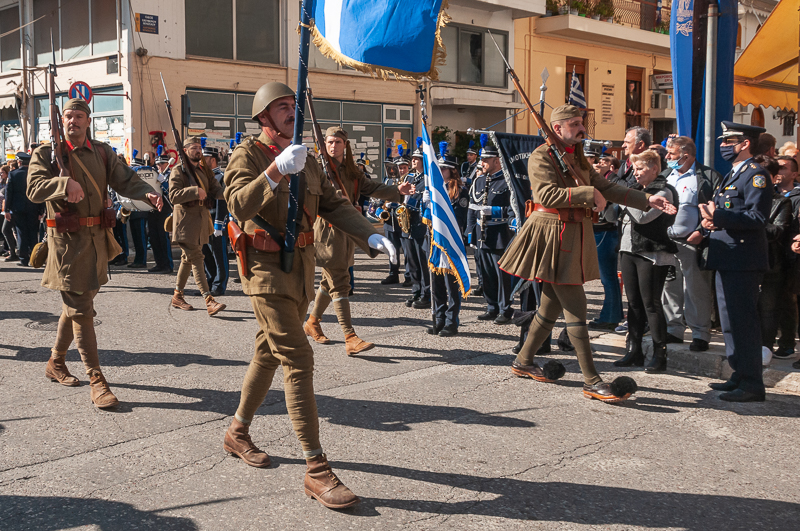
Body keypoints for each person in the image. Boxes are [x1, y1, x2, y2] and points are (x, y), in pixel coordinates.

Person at [222, 82, 398, 509]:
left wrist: (371, 235)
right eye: (280, 107)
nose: (289, 112)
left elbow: (334, 206)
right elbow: (237, 205)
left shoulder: (309, 159)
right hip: (263, 271)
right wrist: (276, 171)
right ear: (263, 116)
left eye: (292, 106)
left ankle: (237, 432)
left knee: (268, 352)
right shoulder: (248, 155)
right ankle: (317, 469)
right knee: (298, 357)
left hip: (300, 268)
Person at [498, 104, 675, 402]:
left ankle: (523, 361)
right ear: (558, 128)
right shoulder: (542, 155)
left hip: (572, 235)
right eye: (576, 124)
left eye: (582, 123)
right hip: (552, 235)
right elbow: (546, 195)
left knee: (549, 307)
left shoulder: (575, 155)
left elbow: (606, 186)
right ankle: (592, 381)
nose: (582, 129)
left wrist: (647, 199)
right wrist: (586, 194)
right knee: (576, 310)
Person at [27, 98, 163, 407]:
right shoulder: (47, 153)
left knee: (79, 305)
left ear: (89, 121)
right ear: (60, 122)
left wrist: (148, 193)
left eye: (78, 116)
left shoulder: (102, 152)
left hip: (97, 241)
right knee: (81, 310)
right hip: (66, 245)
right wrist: (63, 183)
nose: (72, 120)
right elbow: (34, 189)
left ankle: (56, 362)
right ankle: (97, 379)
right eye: (67, 116)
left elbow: (126, 179)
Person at [304, 126, 411, 354]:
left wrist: (397, 191)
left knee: (329, 281)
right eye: (330, 142)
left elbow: (371, 187)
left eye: (338, 142)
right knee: (341, 280)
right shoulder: (318, 169)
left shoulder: (352, 170)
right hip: (328, 230)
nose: (333, 146)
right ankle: (350, 336)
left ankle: (312, 322)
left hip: (349, 229)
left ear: (346, 145)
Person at [702, 121, 772, 402]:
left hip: (743, 259)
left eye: (729, 141)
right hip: (727, 255)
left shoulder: (756, 175)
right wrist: (711, 221)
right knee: (729, 321)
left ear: (745, 144)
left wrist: (717, 216)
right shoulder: (733, 173)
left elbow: (757, 218)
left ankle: (753, 383)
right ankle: (739, 373)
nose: (723, 145)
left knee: (743, 322)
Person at [611, 150, 677, 371]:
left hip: (652, 253)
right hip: (628, 250)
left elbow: (642, 217)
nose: (636, 174)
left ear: (655, 169)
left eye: (640, 169)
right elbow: (612, 217)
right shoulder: (636, 192)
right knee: (633, 304)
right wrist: (622, 197)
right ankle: (633, 350)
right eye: (634, 169)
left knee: (651, 304)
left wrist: (623, 196)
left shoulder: (664, 191)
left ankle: (660, 354)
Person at [661, 136, 719, 352]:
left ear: (685, 155)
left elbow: (715, 209)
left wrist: (701, 232)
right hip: (667, 241)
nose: (667, 158)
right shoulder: (665, 176)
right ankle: (673, 329)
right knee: (670, 288)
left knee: (696, 290)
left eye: (672, 154)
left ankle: (700, 334)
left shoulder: (707, 177)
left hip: (693, 242)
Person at [169, 137, 226, 316]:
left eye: (199, 147)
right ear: (185, 151)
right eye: (193, 148)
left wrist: (231, 193)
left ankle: (177, 295)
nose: (198, 150)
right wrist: (194, 191)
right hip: (185, 223)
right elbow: (173, 195)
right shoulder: (179, 170)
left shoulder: (204, 170)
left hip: (201, 221)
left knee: (188, 259)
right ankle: (209, 300)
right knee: (197, 257)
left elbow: (215, 189)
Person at [466, 140, 515, 323]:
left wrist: (494, 211)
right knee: (485, 273)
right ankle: (492, 306)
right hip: (481, 234)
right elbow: (472, 208)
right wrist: (470, 231)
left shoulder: (507, 181)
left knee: (501, 274)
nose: (483, 163)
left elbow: (513, 209)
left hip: (500, 234)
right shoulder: (478, 181)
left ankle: (505, 309)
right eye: (482, 159)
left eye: (486, 160)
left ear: (497, 161)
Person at [425, 147, 469, 336]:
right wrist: (426, 204)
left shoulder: (460, 191)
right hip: (435, 242)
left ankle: (452, 321)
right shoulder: (434, 191)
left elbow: (458, 217)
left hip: (450, 242)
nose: (440, 172)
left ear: (452, 170)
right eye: (439, 169)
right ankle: (439, 318)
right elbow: (426, 218)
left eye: (443, 169)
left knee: (452, 285)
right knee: (436, 283)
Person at [755, 157, 792, 357]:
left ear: (773, 178)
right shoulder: (742, 199)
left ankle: (765, 348)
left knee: (768, 308)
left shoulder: (781, 202)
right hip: (744, 262)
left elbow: (777, 231)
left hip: (771, 263)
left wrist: (748, 223)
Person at [589, 153, 624, 330]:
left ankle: (610, 317)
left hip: (605, 230)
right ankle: (612, 314)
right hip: (598, 230)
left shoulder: (612, 180)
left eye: (603, 162)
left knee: (607, 277)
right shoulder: (594, 179)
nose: (597, 164)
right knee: (607, 277)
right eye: (597, 161)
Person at [773, 156, 800, 357]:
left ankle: (788, 342)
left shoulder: (798, 196)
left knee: (789, 301)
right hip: (773, 254)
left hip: (793, 255)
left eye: (783, 168)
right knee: (774, 301)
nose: (779, 171)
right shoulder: (768, 194)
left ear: (794, 174)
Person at [400, 147, 431, 308]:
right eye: (413, 158)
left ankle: (426, 294)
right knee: (411, 261)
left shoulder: (428, 179)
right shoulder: (410, 178)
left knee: (422, 261)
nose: (413, 161)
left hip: (420, 224)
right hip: (408, 225)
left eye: (417, 159)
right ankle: (416, 291)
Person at [4, 152, 42, 266]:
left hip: (18, 208)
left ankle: (24, 259)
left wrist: (7, 209)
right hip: (34, 208)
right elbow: (40, 192)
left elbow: (8, 193)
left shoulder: (13, 174)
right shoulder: (35, 174)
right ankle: (35, 258)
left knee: (21, 233)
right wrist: (41, 210)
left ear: (19, 162)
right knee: (33, 233)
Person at [201, 145, 230, 296]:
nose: (202, 161)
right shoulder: (203, 176)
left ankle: (219, 285)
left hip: (215, 220)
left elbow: (222, 202)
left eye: (204, 158)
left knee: (219, 255)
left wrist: (219, 223)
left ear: (212, 159)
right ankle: (210, 282)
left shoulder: (220, 177)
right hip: (204, 221)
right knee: (206, 254)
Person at [147, 151, 174, 273]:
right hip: (154, 210)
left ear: (167, 163)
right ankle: (159, 263)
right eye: (158, 164)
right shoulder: (155, 175)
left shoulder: (171, 175)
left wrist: (164, 182)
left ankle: (168, 265)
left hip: (165, 209)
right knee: (154, 237)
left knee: (163, 238)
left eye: (162, 164)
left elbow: (171, 194)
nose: (160, 166)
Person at [0, 164, 18, 262]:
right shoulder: (5, 181)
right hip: (12, 209)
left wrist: (6, 210)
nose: (1, 174)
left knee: (7, 230)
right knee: (14, 230)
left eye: (2, 172)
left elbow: (8, 196)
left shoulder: (11, 178)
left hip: (11, 209)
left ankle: (13, 252)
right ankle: (15, 251)